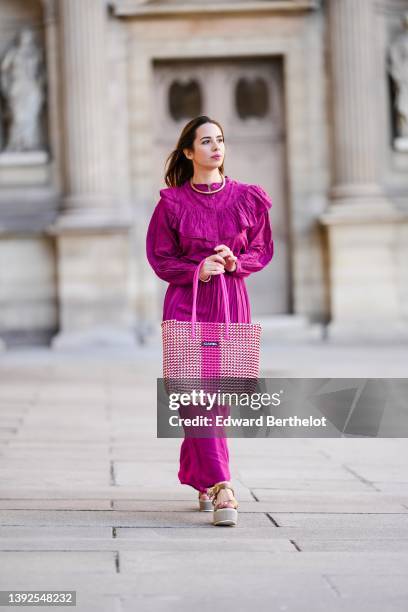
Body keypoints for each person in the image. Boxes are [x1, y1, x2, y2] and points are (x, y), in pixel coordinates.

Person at [145, 115, 274, 526]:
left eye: (220, 140)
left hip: (231, 303)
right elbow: (160, 257)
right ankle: (222, 486)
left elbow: (262, 248)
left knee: (215, 400)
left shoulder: (248, 198)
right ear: (188, 151)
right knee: (193, 396)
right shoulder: (171, 203)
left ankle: (199, 475)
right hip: (187, 302)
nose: (216, 147)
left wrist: (237, 262)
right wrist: (197, 269)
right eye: (205, 141)